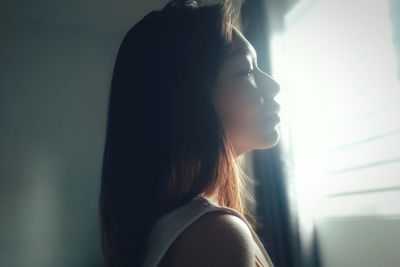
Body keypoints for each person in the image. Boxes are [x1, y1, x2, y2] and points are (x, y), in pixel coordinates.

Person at [99, 0, 281, 266]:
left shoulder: (181, 226)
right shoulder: (217, 236)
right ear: (188, 101)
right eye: (246, 71)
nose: (273, 85)